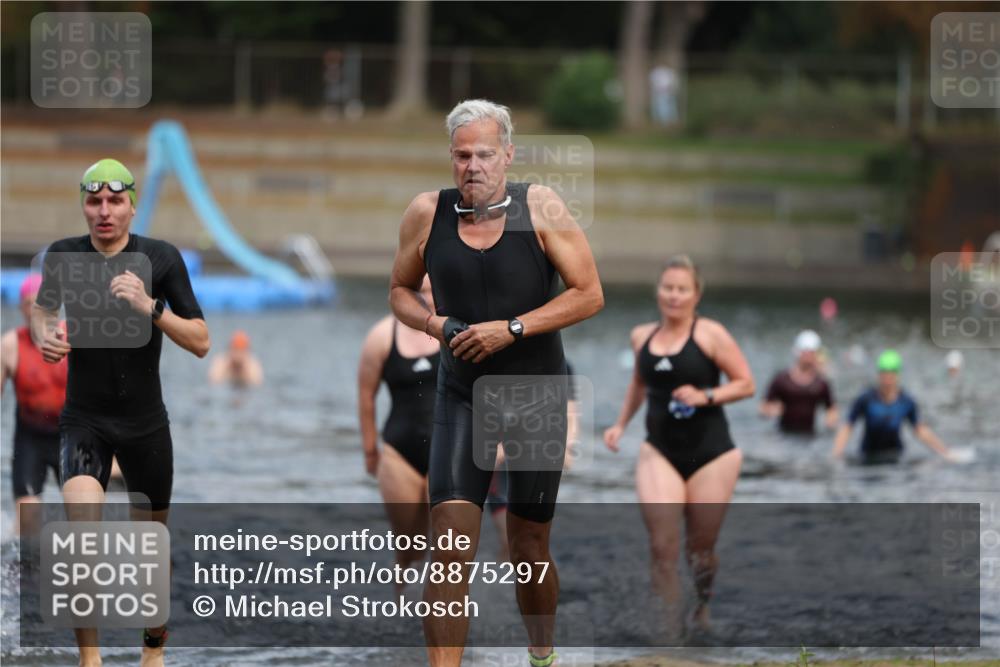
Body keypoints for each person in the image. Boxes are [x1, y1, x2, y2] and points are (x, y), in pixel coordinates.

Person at [388, 99, 604, 667]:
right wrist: (436, 324)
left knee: (528, 548)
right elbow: (399, 292)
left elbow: (589, 293)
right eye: (462, 155)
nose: (473, 165)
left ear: (507, 155)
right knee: (450, 549)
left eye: (485, 153)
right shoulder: (425, 214)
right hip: (461, 395)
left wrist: (512, 329)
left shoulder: (540, 207)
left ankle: (541, 655)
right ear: (451, 158)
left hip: (536, 396)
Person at [32, 158, 209, 667]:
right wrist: (45, 333)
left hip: (146, 426)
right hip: (84, 420)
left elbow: (201, 341)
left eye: (114, 201)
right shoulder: (63, 257)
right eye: (94, 201)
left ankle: (152, 649)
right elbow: (44, 309)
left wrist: (150, 307)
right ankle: (91, 659)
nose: (104, 211)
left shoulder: (160, 259)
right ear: (84, 206)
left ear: (131, 205)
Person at [603, 255, 754, 636]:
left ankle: (700, 608)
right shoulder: (641, 336)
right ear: (658, 291)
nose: (673, 295)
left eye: (682, 289)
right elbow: (639, 384)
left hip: (713, 455)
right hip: (660, 451)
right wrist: (620, 424)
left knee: (700, 552)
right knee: (662, 546)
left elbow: (745, 384)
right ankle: (668, 634)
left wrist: (706, 394)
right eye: (667, 287)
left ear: (696, 295)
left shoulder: (711, 335)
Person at [1, 274, 68, 535]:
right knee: (27, 525)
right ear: (21, 308)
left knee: (85, 520)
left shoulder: (75, 340)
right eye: (30, 304)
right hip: (30, 440)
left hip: (71, 440)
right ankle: (23, 570)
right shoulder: (9, 346)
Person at [832, 349, 954, 465]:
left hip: (896, 457)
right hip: (868, 457)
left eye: (891, 373)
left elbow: (920, 430)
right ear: (879, 374)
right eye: (884, 373)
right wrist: (836, 454)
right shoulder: (866, 399)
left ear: (897, 374)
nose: (887, 378)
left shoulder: (906, 401)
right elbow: (847, 427)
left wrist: (945, 452)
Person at [759, 330, 838, 435]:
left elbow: (831, 408)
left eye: (811, 352)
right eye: (805, 352)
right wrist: (772, 410)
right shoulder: (782, 379)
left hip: (810, 435)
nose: (808, 356)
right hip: (783, 434)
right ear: (798, 352)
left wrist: (831, 422)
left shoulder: (821, 383)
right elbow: (763, 408)